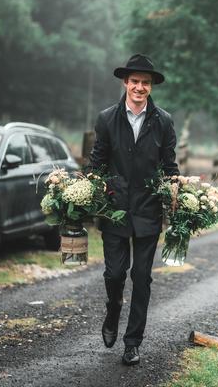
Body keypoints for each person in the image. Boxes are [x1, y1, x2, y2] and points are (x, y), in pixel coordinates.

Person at [89, 53, 179, 366]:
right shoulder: (107, 118)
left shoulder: (163, 121)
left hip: (148, 211)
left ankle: (132, 343)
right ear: (125, 83)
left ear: (151, 86)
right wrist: (91, 189)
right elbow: (97, 163)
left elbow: (170, 167)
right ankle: (113, 308)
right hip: (114, 209)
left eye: (145, 82)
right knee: (115, 274)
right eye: (135, 81)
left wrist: (178, 195)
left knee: (142, 278)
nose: (140, 87)